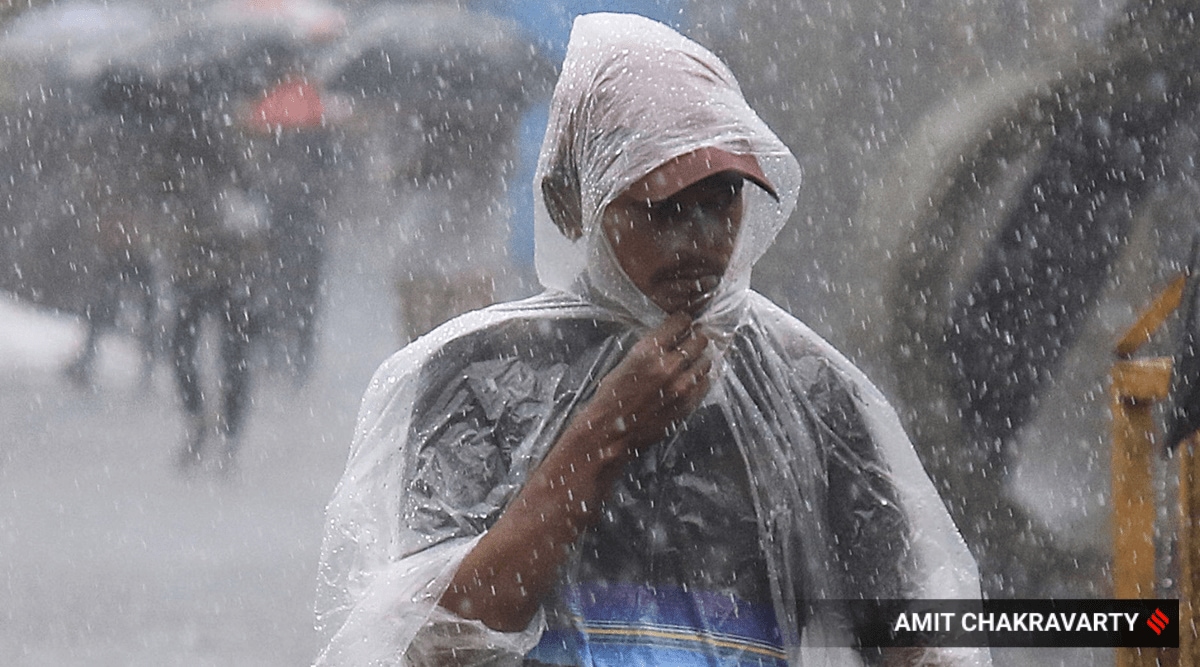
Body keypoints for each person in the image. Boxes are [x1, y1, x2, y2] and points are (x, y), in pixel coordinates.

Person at [315, 13, 987, 666]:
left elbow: (909, 636)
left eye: (720, 199)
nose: (700, 239)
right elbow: (444, 643)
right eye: (662, 209)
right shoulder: (482, 373)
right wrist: (605, 432)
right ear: (569, 202)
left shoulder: (807, 388)